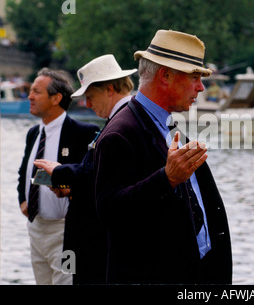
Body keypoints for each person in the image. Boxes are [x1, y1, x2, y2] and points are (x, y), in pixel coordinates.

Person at [93, 29, 232, 284]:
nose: (201, 87)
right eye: (194, 77)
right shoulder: (120, 133)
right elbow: (109, 210)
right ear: (165, 76)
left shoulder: (166, 124)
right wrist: (166, 179)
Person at [33, 55, 137, 284]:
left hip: (97, 242)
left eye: (90, 96)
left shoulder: (121, 123)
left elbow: (94, 172)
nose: (87, 105)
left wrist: (59, 172)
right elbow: (104, 177)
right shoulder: (124, 119)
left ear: (110, 89)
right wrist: (72, 189)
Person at [17, 68, 99, 285]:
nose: (30, 96)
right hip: (36, 229)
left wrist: (72, 191)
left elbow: (93, 178)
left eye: (36, 91)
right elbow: (23, 172)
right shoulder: (34, 133)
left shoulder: (83, 133)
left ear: (56, 98)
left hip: (66, 233)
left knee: (68, 280)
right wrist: (22, 200)